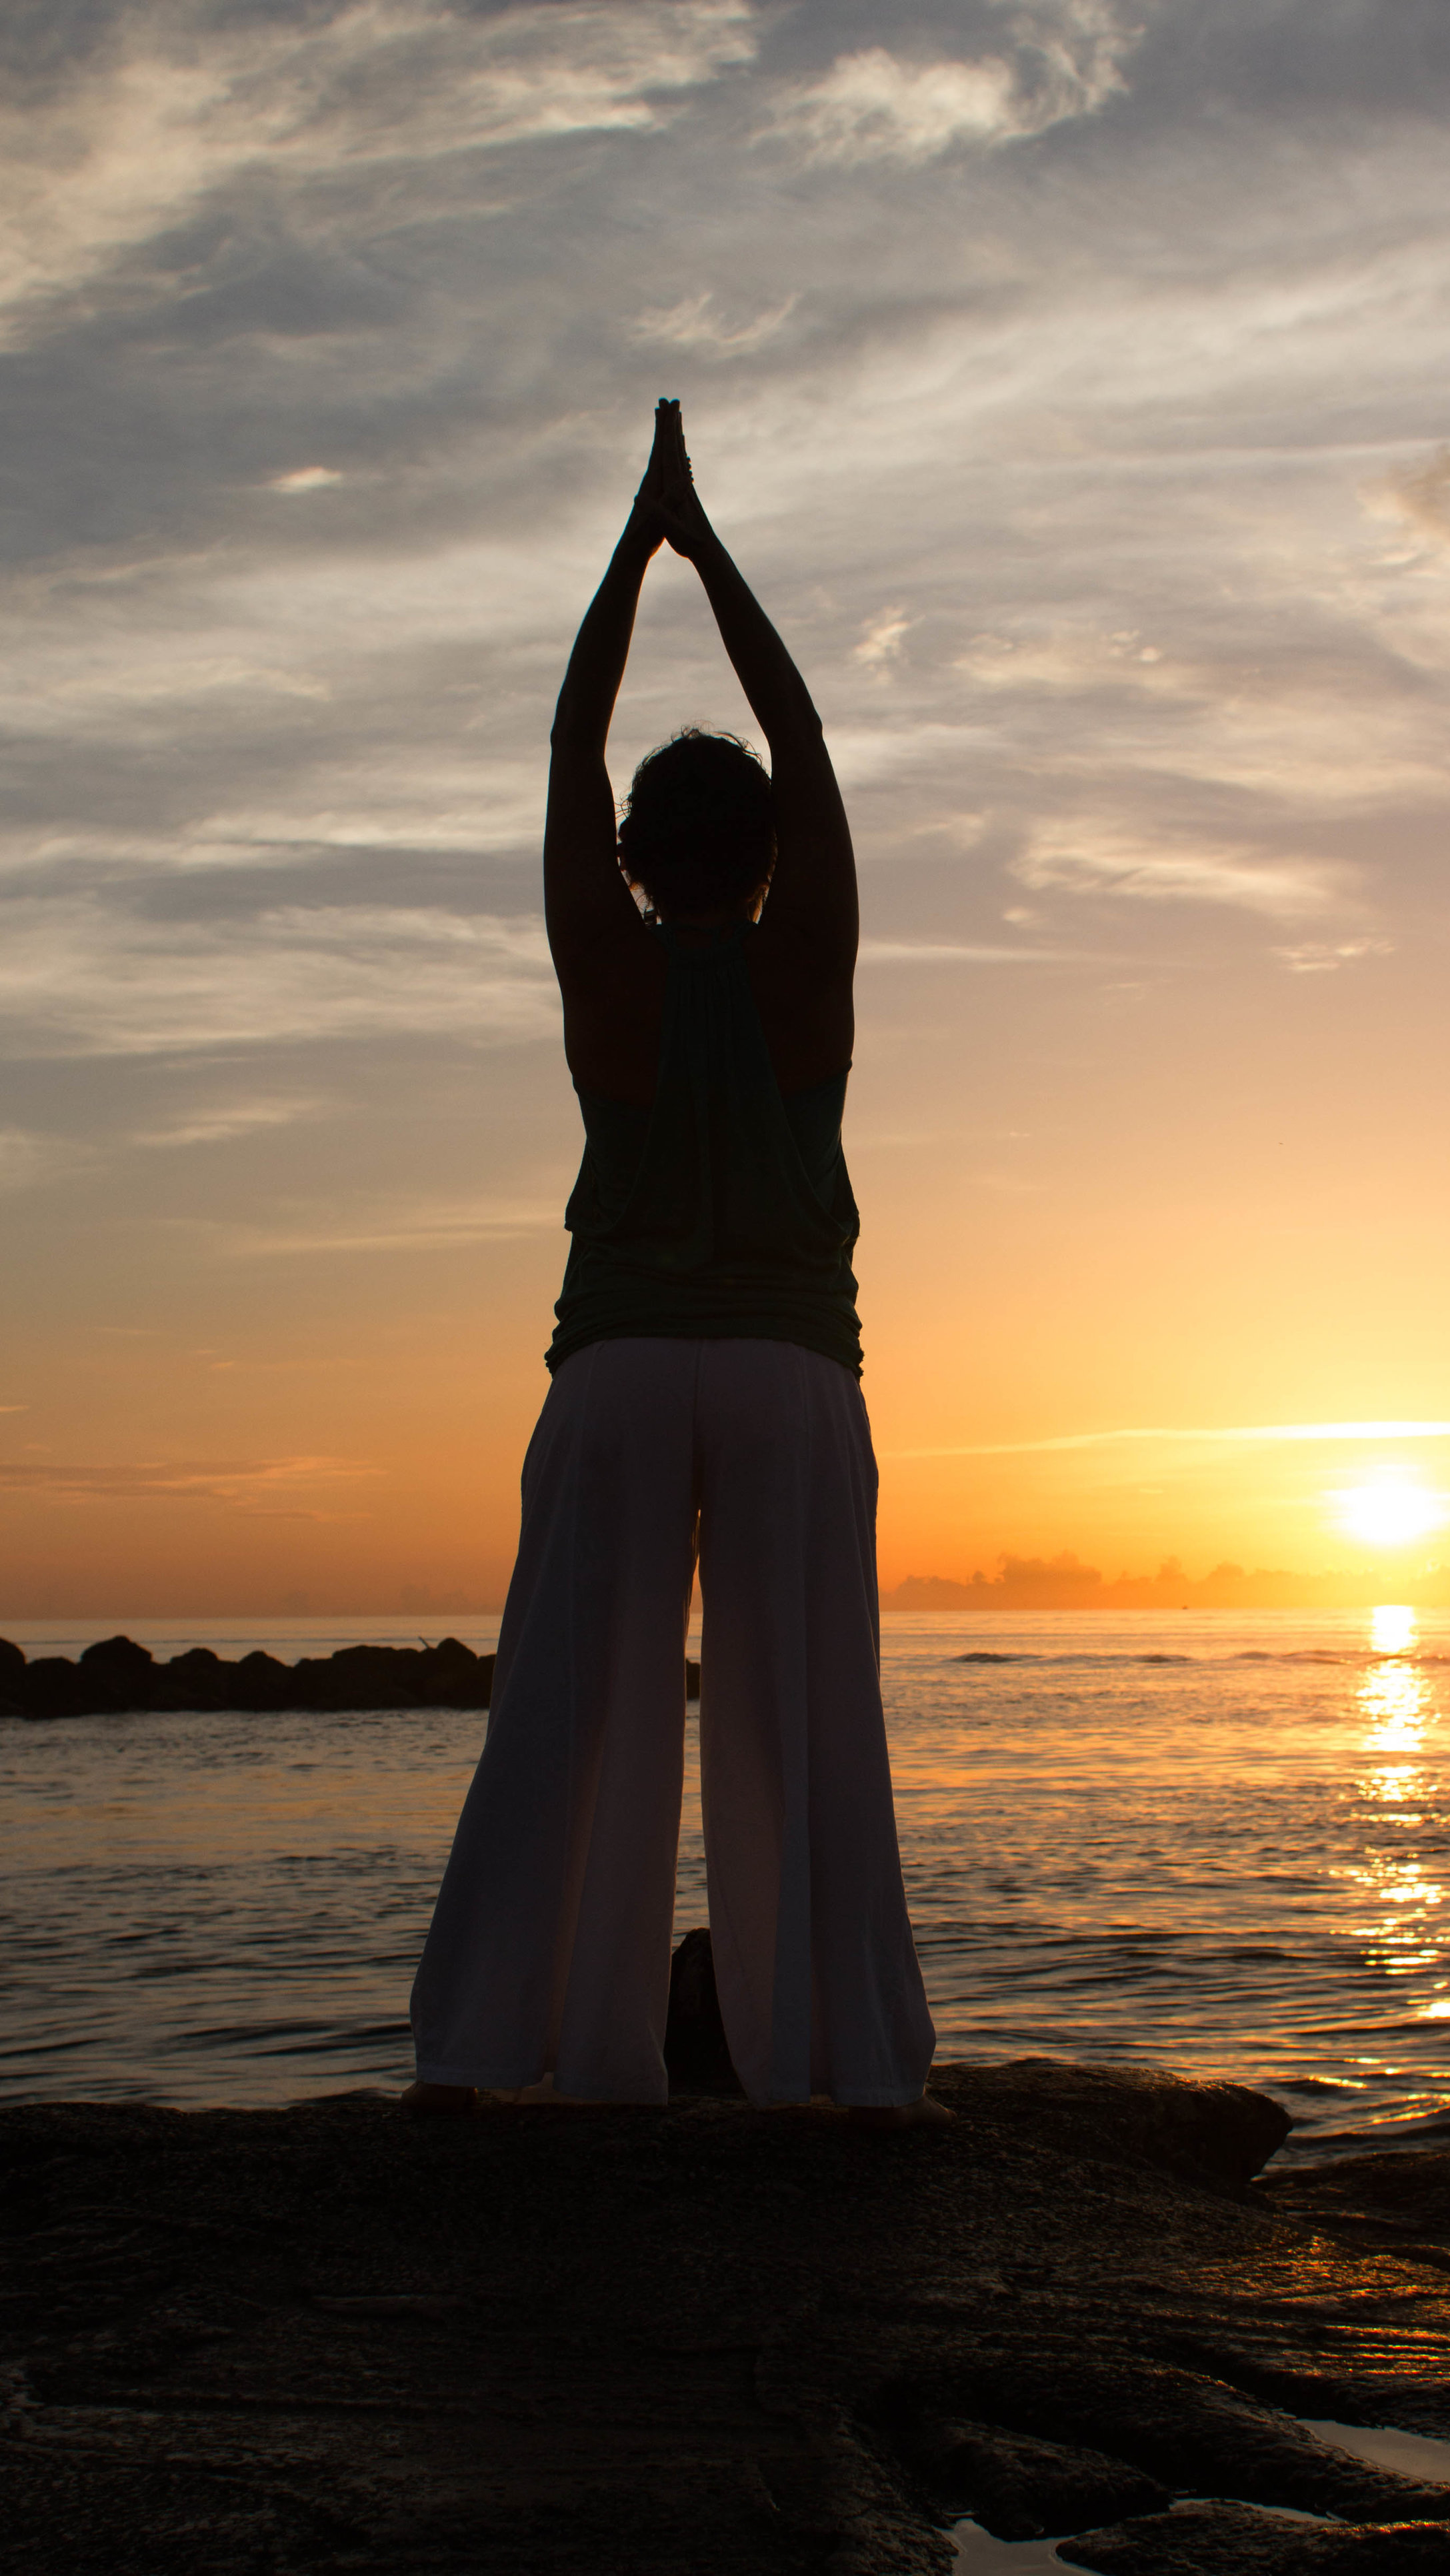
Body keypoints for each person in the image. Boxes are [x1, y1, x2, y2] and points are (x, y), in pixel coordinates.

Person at [405, 401, 945, 2127]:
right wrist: (713, 552)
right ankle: (831, 2068)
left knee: (570, 1713)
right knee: (809, 1734)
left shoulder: (604, 962)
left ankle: (506, 2055)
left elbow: (569, 742)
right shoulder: (811, 964)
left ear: (636, 860)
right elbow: (805, 734)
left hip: (623, 1370)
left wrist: (633, 556)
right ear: (773, 855)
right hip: (790, 1378)